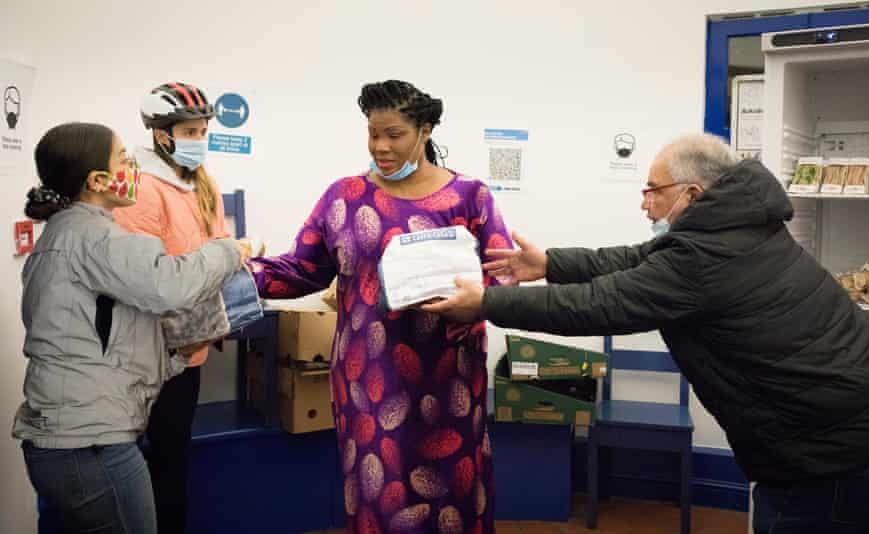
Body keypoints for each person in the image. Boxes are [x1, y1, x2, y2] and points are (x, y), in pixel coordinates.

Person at [424, 133, 869, 533]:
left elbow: (599, 305)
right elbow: (639, 258)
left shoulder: (706, 259)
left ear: (691, 193)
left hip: (834, 462)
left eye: (653, 189)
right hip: (857, 432)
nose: (644, 201)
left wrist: (484, 303)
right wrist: (551, 263)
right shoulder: (740, 227)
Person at [249, 80, 512, 533]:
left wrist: (474, 299)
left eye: (394, 134)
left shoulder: (471, 197)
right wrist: (234, 272)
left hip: (450, 379)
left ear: (425, 130)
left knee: (454, 496)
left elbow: (502, 274)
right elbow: (303, 269)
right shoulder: (344, 197)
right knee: (379, 492)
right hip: (369, 379)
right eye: (373, 133)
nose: (380, 146)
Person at [14, 122, 247, 534]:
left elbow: (105, 341)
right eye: (125, 160)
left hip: (68, 440)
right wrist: (233, 249)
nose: (135, 169)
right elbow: (171, 284)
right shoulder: (94, 237)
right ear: (97, 181)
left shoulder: (64, 234)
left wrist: (176, 355)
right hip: (90, 447)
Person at [113, 82, 230, 534]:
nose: (198, 140)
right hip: (152, 351)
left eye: (202, 131)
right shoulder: (140, 186)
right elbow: (142, 275)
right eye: (189, 131)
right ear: (162, 134)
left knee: (173, 456)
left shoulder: (202, 182)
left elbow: (215, 251)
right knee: (151, 460)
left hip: (191, 345)